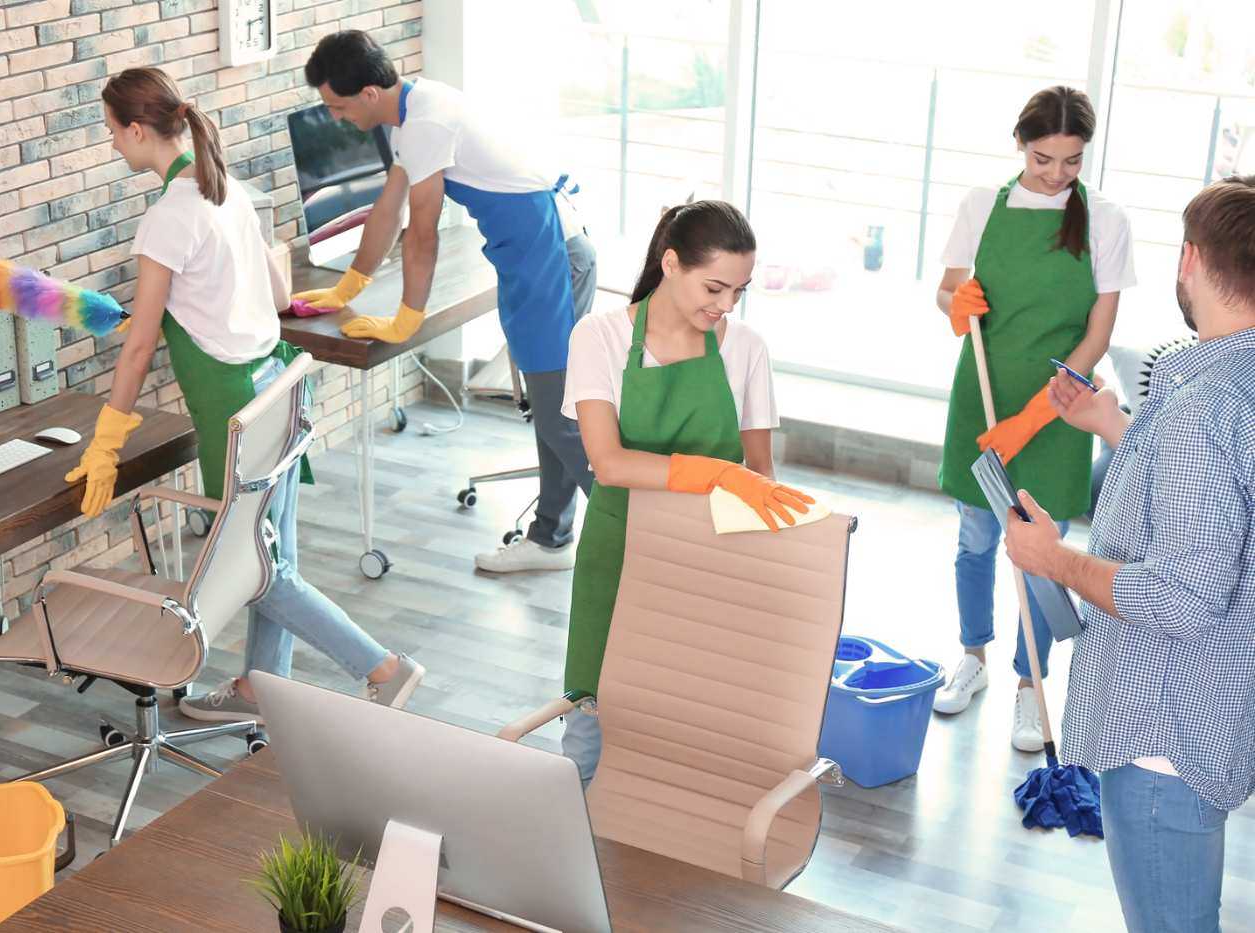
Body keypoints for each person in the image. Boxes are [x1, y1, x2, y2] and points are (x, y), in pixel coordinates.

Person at [68, 68, 424, 728]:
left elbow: (142, 346)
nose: (113, 145)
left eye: (113, 132)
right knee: (273, 552)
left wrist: (107, 439)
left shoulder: (169, 216)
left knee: (256, 570)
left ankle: (382, 666)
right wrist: (180, 303)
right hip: (280, 389)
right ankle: (263, 686)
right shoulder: (223, 185)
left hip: (237, 410)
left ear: (138, 130)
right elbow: (272, 280)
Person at [1004, 176, 1255, 933]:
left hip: (1161, 742)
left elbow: (1183, 593)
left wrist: (1056, 561)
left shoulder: (1203, 407)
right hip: (1213, 714)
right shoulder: (1229, 386)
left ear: (1190, 259)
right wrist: (1116, 425)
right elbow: (1222, 500)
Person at [295, 30, 597, 573]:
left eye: (338, 106)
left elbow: (423, 232)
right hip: (536, 255)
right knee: (555, 414)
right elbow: (388, 210)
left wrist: (406, 317)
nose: (336, 118)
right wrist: (348, 286)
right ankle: (551, 538)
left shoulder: (426, 122)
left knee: (557, 418)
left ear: (367, 93)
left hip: (548, 257)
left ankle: (648, 537)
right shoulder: (416, 109)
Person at [560, 200, 813, 784]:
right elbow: (609, 461)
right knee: (591, 713)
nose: (725, 306)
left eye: (739, 292)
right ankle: (566, 841)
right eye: (715, 287)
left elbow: (760, 473)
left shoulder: (745, 347)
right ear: (671, 264)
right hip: (620, 546)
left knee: (692, 720)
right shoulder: (598, 336)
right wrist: (718, 474)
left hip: (711, 555)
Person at [931, 86, 1135, 752]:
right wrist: (954, 302)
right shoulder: (979, 207)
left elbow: (1099, 332)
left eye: (1072, 161)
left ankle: (1029, 684)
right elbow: (949, 293)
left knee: (1043, 554)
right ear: (1021, 143)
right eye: (1045, 158)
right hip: (983, 396)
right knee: (975, 539)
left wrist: (1038, 412)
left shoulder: (1103, 219)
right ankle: (973, 658)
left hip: (1061, 407)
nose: (1056, 174)